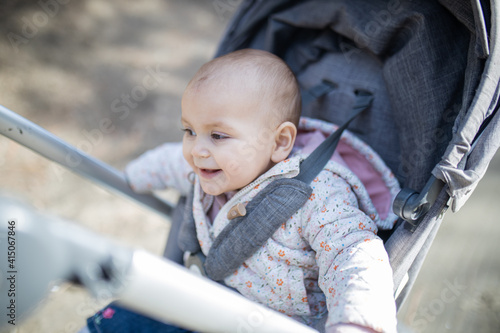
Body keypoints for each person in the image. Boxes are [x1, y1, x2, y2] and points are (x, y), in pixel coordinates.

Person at [84, 49, 400, 333]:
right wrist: (133, 176)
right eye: (190, 131)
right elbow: (169, 162)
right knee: (129, 312)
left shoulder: (319, 194)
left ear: (279, 143)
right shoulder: (210, 167)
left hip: (271, 323)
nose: (197, 150)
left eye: (218, 136)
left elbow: (353, 254)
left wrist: (357, 322)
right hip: (204, 300)